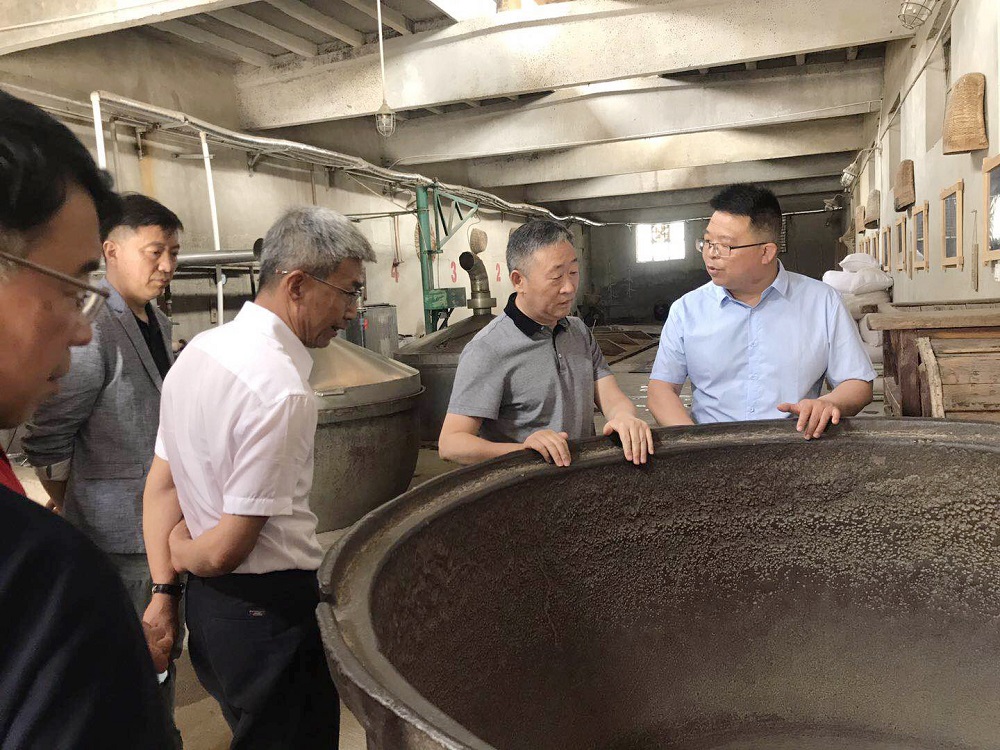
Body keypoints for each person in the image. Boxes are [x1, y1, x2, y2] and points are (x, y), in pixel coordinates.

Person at [143, 205, 376, 750]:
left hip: (211, 614)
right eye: (348, 292)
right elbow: (224, 550)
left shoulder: (198, 353)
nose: (352, 311)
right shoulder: (282, 391)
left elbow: (161, 487)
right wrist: (182, 551)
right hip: (267, 614)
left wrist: (165, 592)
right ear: (297, 284)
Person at [0, 90, 169, 748]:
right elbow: (53, 435)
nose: (78, 329)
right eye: (71, 287)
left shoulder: (158, 324)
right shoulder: (43, 578)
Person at [22, 193, 184, 748]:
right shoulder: (94, 328)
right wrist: (73, 500)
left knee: (162, 652)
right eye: (155, 251)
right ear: (110, 250)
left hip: (162, 524)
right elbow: (49, 434)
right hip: (117, 532)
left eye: (174, 253)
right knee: (136, 659)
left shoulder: (156, 320)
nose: (167, 265)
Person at [647, 183, 875, 439]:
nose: (711, 254)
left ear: (766, 252)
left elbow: (858, 383)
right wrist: (695, 443)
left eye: (725, 246)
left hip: (795, 446)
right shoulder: (686, 310)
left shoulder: (822, 302)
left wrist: (829, 403)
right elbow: (661, 390)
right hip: (711, 449)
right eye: (707, 242)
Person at [439, 219, 653, 467]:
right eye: (556, 277)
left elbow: (610, 396)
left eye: (573, 273)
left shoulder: (578, 331)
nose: (569, 287)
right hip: (527, 484)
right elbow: (452, 443)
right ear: (518, 280)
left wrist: (625, 417)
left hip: (583, 478)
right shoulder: (488, 349)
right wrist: (523, 451)